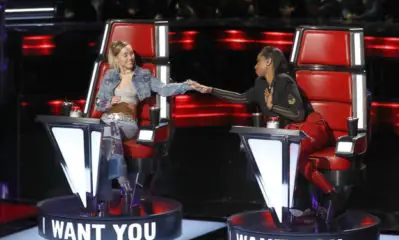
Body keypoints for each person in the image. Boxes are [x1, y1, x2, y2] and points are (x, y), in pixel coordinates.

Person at [194, 46, 340, 221]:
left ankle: (295, 202)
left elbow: (299, 114)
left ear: (269, 61)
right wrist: (210, 90)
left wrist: (273, 106)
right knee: (289, 156)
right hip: (290, 132)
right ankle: (328, 195)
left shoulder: (285, 81)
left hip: (312, 126)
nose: (255, 66)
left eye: (258, 61)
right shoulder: (260, 85)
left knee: (291, 154)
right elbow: (241, 98)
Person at [95, 40, 205, 209]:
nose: (131, 58)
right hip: (106, 120)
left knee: (108, 133)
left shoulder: (143, 75)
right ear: (116, 59)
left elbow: (164, 89)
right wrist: (109, 102)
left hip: (127, 123)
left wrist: (187, 85)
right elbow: (98, 104)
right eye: (125, 55)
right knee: (104, 141)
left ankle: (113, 189)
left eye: (132, 53)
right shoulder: (110, 76)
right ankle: (118, 186)